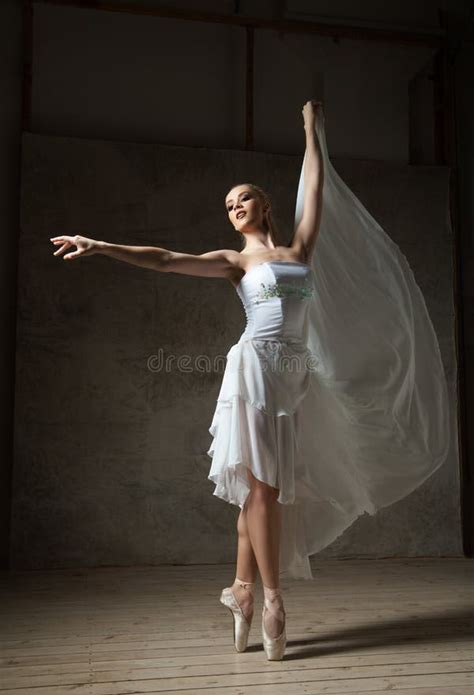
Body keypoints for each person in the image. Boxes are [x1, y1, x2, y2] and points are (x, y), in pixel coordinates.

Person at [50, 98, 450, 663]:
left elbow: (313, 190)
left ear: (264, 206)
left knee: (264, 494)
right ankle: (274, 601)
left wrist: (312, 131)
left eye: (243, 199)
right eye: (228, 205)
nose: (234, 207)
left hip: (295, 375)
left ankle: (240, 591)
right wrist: (100, 245)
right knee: (263, 488)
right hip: (256, 368)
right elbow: (165, 259)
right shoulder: (234, 263)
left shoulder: (298, 250)